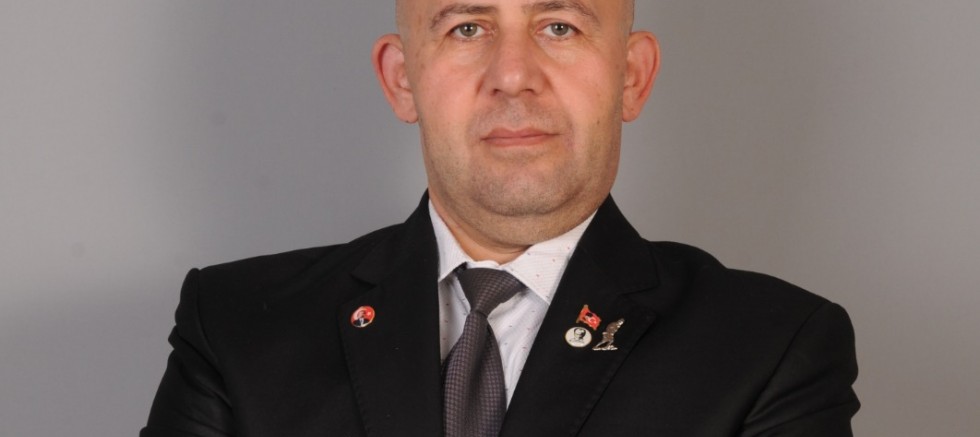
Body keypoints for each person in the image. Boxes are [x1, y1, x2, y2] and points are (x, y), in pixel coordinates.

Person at [141, 1, 859, 436]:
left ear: (631, 76)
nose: (513, 74)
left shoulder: (770, 351)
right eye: (466, 27)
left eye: (559, 25)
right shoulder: (235, 328)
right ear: (401, 78)